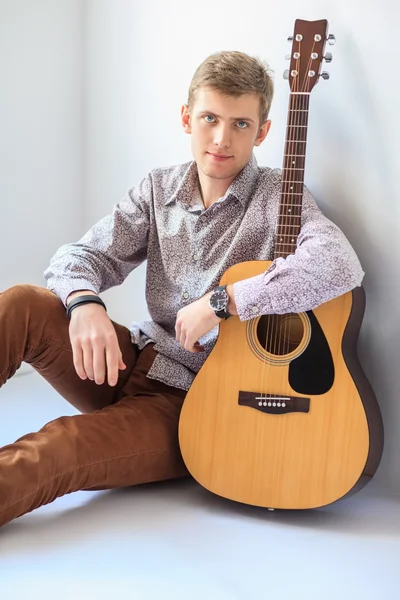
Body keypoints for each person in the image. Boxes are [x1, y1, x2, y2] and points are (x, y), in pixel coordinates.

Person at [0, 50, 364, 528]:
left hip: (194, 405)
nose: (221, 138)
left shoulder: (279, 195)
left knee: (58, 447)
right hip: (128, 362)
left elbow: (339, 264)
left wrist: (223, 302)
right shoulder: (158, 189)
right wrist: (84, 303)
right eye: (210, 118)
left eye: (240, 124)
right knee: (24, 303)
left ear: (263, 132)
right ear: (186, 118)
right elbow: (80, 256)